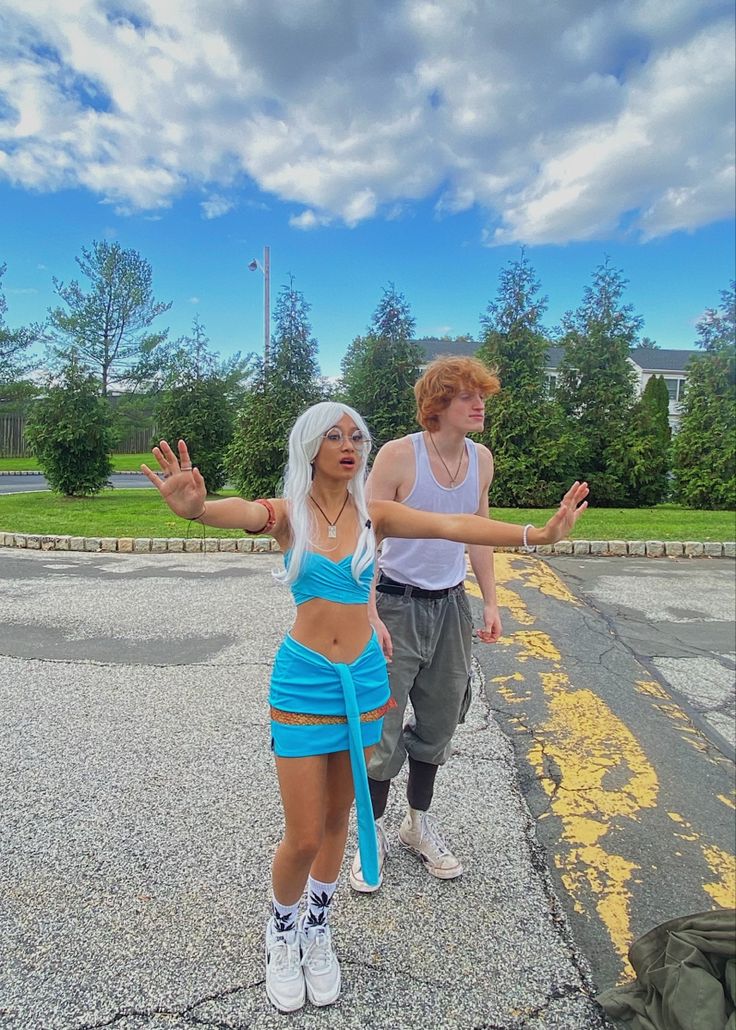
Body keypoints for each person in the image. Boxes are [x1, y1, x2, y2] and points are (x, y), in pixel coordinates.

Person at [141, 401, 587, 1014]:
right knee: (300, 834)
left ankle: (318, 931)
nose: (348, 444)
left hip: (365, 681)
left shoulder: (375, 515)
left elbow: (454, 528)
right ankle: (280, 934)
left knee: (334, 824)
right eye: (333, 435)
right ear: (310, 447)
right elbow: (238, 511)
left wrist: (537, 534)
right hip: (304, 683)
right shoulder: (288, 514)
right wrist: (195, 508)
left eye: (356, 435)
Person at [350, 356, 502, 893]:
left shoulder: (481, 460)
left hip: (450, 607)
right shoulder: (398, 456)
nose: (479, 403)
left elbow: (478, 532)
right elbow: (366, 539)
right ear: (437, 405)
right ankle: (371, 836)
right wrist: (368, 612)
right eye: (466, 396)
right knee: (383, 729)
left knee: (439, 723)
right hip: (396, 604)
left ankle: (418, 826)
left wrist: (489, 599)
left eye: (480, 394)